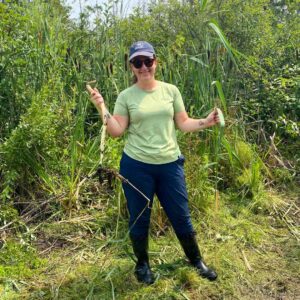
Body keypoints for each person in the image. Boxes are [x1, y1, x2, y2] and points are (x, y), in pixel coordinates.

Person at [88, 41, 220, 284]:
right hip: (136, 166)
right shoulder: (126, 96)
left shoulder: (171, 91)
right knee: (139, 217)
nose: (143, 67)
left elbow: (183, 123)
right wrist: (101, 106)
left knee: (181, 215)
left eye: (147, 61)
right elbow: (116, 130)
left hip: (170, 164)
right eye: (137, 62)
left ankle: (196, 260)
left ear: (155, 62)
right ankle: (142, 265)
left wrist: (205, 122)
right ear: (131, 67)